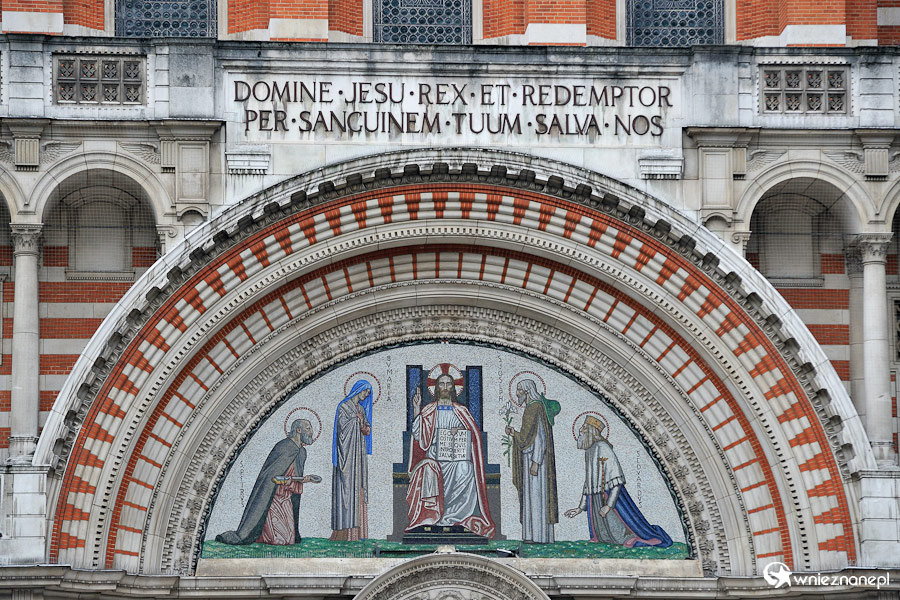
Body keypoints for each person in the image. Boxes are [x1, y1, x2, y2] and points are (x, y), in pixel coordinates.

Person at [406, 373, 495, 538]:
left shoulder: (461, 411)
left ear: (453, 388)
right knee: (429, 469)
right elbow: (418, 436)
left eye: (448, 384)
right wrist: (417, 409)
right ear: (437, 388)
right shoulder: (429, 410)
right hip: (434, 455)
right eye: (442, 384)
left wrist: (461, 431)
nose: (445, 387)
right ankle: (433, 517)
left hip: (455, 457)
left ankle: (455, 517)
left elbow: (473, 434)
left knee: (466, 468)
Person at [564, 415, 671, 547]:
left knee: (622, 537)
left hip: (609, 495)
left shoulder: (603, 447)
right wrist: (580, 508)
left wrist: (609, 506)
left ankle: (633, 536)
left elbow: (616, 479)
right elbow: (589, 482)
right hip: (595, 497)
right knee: (604, 537)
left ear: (591, 431)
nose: (580, 432)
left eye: (583, 429)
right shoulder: (590, 450)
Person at [216, 419, 320, 545]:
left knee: (289, 540)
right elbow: (270, 476)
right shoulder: (283, 447)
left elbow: (295, 478)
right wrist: (287, 480)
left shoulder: (302, 452)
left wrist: (302, 480)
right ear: (298, 430)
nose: (311, 432)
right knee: (280, 540)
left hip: (287, 500)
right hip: (272, 500)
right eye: (308, 428)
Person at [506, 379, 559, 543]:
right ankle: (530, 535)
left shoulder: (535, 407)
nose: (517, 393)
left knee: (537, 498)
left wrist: (536, 462)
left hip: (536, 461)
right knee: (530, 498)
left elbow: (540, 437)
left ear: (527, 391)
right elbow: (526, 436)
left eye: (519, 390)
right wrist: (514, 433)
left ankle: (540, 536)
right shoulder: (531, 408)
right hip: (529, 458)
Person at [330, 380, 373, 541]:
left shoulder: (361, 408)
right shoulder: (344, 407)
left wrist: (361, 422)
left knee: (359, 488)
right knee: (347, 489)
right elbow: (341, 430)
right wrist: (356, 421)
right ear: (359, 390)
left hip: (359, 455)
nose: (366, 395)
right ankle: (344, 533)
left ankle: (358, 534)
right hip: (347, 455)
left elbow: (367, 429)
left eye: (368, 393)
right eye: (365, 392)